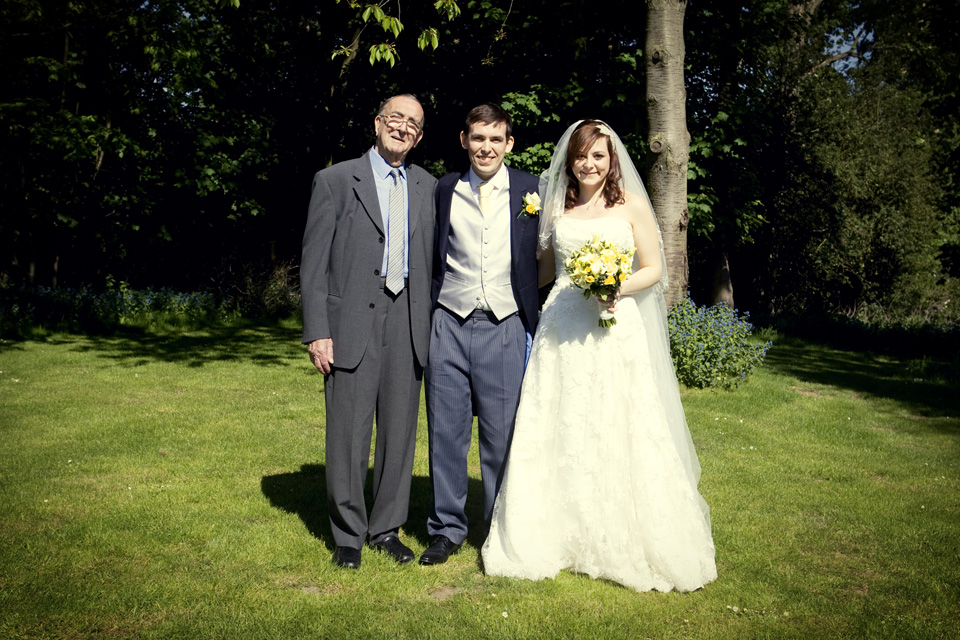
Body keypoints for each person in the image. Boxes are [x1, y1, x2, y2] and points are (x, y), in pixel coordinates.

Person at [481, 120, 717, 592]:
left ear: (611, 161)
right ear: (570, 160)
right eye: (581, 156)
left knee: (616, 420)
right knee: (560, 419)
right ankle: (553, 532)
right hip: (561, 325)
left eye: (598, 156)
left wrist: (616, 286)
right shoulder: (556, 207)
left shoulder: (630, 205)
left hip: (614, 326)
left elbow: (654, 268)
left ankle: (621, 532)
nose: (588, 164)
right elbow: (542, 271)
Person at [300, 94, 437, 570]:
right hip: (351, 322)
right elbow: (313, 265)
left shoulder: (428, 186)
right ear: (377, 122)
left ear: (419, 136)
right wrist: (317, 330)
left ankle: (386, 530)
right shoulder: (336, 180)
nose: (403, 127)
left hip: (409, 321)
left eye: (413, 124)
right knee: (348, 433)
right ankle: (348, 535)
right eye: (396, 118)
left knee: (399, 434)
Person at [419, 103, 544, 566]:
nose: (486, 147)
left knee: (501, 435)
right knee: (446, 432)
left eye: (495, 139)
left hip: (506, 323)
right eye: (478, 138)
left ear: (509, 143)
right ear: (464, 140)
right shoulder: (445, 189)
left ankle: (497, 528)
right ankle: (446, 528)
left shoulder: (533, 189)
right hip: (448, 322)